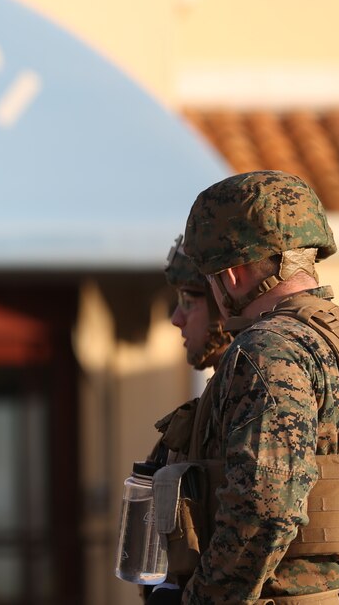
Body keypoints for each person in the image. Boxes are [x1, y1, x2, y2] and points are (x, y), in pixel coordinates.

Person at [177, 170, 339, 604]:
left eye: (208, 279)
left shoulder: (265, 351)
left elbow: (264, 505)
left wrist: (206, 598)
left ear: (234, 273)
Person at [140, 238, 232, 603]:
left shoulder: (249, 399)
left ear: (222, 308)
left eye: (188, 302)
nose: (176, 319)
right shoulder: (214, 403)